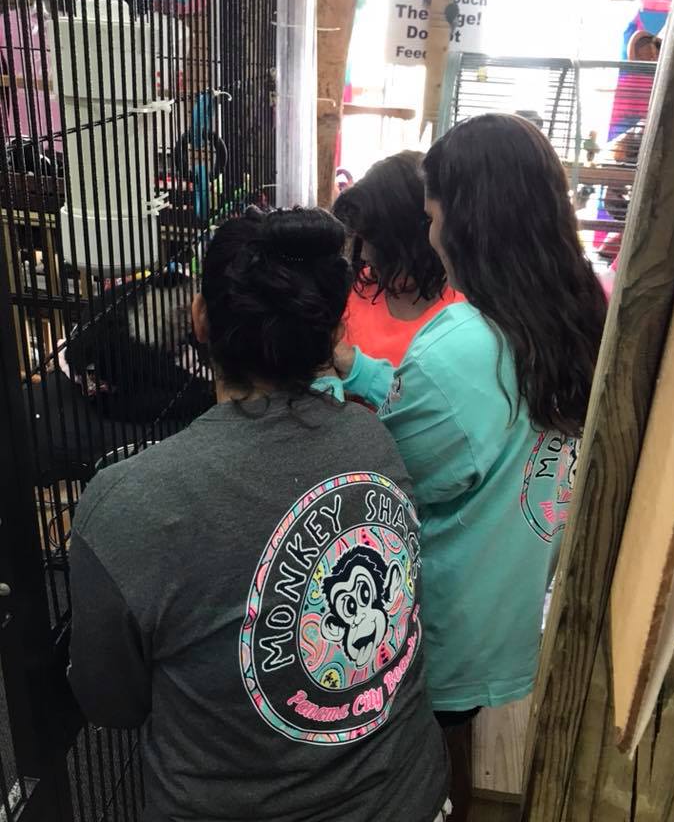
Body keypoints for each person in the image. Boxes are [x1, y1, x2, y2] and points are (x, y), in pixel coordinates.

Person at [68, 207, 449, 822]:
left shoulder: (128, 502)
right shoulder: (373, 439)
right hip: (409, 793)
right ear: (334, 334)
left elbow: (111, 704)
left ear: (199, 318)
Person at [335, 115, 608, 821]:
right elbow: (470, 432)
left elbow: (389, 480)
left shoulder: (460, 345)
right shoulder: (576, 310)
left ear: (465, 220)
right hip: (503, 607)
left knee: (413, 773)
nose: (430, 237)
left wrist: (322, 398)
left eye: (432, 218)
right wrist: (359, 371)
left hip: (437, 628)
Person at [334, 151, 461, 367]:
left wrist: (359, 371)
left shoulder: (465, 315)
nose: (364, 255)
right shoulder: (355, 289)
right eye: (361, 239)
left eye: (377, 245)